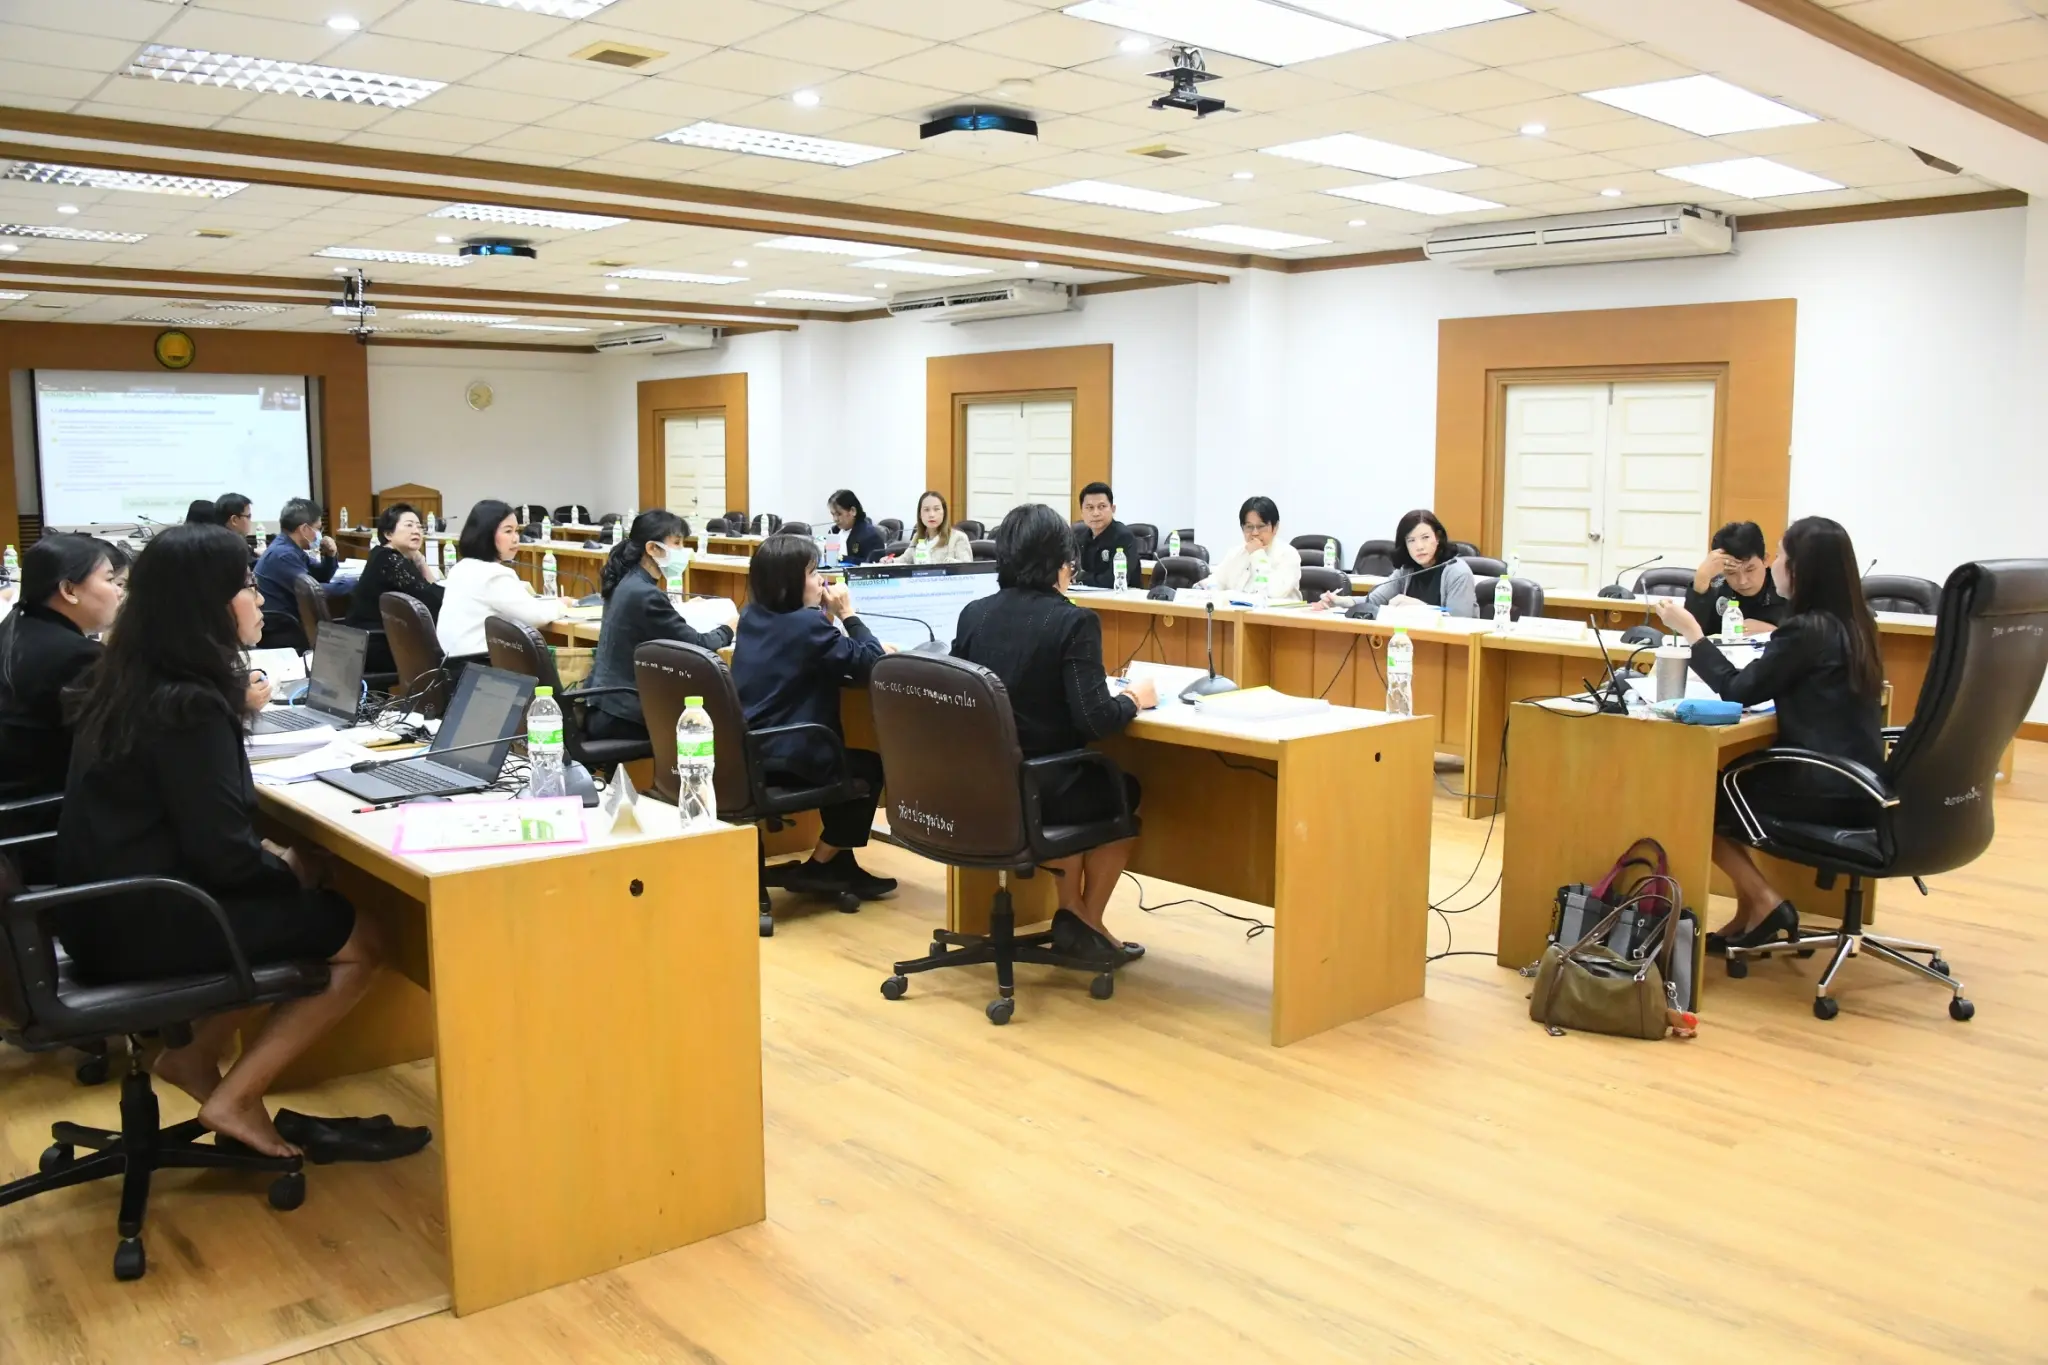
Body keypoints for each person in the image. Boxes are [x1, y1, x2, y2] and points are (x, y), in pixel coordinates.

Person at [55, 524, 387, 1158]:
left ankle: (193, 1057)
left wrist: (280, 862)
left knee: (298, 899)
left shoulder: (130, 677)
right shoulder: (189, 705)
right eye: (247, 587)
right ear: (206, 605)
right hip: (148, 918)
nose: (260, 600)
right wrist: (289, 868)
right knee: (359, 936)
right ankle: (234, 1096)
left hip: (102, 908)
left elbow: (200, 832)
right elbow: (224, 857)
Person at [1653, 516, 1884, 955]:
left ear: (1798, 570)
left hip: (1824, 785)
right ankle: (1749, 913)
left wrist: (1694, 635)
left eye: (1781, 555)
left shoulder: (1807, 630)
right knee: (1730, 781)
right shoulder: (1858, 622)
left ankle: (1765, 902)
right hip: (1862, 780)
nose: (1774, 562)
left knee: (1699, 796)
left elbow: (1738, 690)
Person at [953, 502, 1159, 962]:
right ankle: (1084, 917)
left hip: (978, 786)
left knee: (1078, 782)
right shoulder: (1073, 620)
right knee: (1118, 791)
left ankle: (1073, 915)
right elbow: (1094, 720)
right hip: (1042, 787)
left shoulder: (974, 614)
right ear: (1060, 562)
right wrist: (1133, 699)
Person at [732, 534, 895, 898]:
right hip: (791, 755)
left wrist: (828, 621)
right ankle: (821, 864)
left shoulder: (752, 616)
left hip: (752, 750)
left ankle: (839, 865)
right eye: (813, 573)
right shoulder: (806, 627)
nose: (822, 580)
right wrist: (848, 614)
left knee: (843, 755)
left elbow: (812, 648)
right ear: (788, 583)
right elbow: (872, 663)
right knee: (868, 766)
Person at [584, 509, 739, 743]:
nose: (683, 551)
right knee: (714, 725)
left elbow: (652, 619)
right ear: (652, 548)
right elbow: (698, 644)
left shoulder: (627, 581)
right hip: (623, 714)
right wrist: (729, 628)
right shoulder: (646, 594)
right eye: (677, 543)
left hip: (603, 705)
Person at [0, 535, 122, 802]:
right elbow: (111, 749)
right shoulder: (78, 655)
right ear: (69, 590)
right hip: (40, 806)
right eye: (110, 580)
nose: (119, 592)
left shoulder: (14, 627)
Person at [436, 499, 563, 662]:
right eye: (508, 531)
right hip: (480, 665)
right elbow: (536, 616)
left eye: (517, 531)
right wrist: (562, 605)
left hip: (450, 665)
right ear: (486, 534)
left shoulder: (460, 567)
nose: (516, 538)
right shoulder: (493, 575)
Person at [1324, 508, 1477, 619]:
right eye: (1411, 540)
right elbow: (1374, 601)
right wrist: (1341, 601)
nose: (1419, 546)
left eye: (1425, 538)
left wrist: (1422, 609)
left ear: (1437, 538)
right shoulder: (1407, 570)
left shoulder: (1457, 572)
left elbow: (1459, 619)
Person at [347, 503, 443, 674]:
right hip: (377, 647)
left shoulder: (382, 554)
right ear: (388, 534)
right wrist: (421, 562)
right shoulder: (392, 561)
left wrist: (418, 560)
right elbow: (435, 599)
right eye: (409, 525)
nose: (416, 531)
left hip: (364, 643)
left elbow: (427, 592)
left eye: (419, 526)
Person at [1682, 520, 1786, 635]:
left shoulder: (1788, 590)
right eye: (1731, 572)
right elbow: (1689, 634)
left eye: (1750, 570)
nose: (1742, 581)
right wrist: (1701, 579)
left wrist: (1775, 632)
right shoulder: (1716, 589)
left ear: (1765, 560)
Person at [1198, 496, 1302, 602]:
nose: (1255, 533)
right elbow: (1216, 581)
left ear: (1275, 527)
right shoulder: (1236, 553)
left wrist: (1257, 554)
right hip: (1238, 612)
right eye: (1249, 527)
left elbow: (1273, 593)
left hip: (1276, 612)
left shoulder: (1288, 555)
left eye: (1261, 526)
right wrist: (1203, 589)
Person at [253, 496, 338, 626]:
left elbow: (320, 576)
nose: (319, 534)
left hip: (289, 619)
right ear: (304, 529)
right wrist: (357, 584)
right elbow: (313, 591)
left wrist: (330, 556)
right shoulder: (284, 554)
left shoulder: (290, 547)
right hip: (282, 627)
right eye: (318, 528)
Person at [1071, 481, 1142, 589]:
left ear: (1113, 509)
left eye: (1102, 506)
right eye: (1090, 507)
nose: (1096, 513)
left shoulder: (1123, 537)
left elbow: (1114, 579)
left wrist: (1080, 578)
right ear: (1082, 512)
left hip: (1121, 596)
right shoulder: (1079, 536)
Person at [889, 489, 973, 564]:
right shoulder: (917, 537)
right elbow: (905, 560)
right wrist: (890, 561)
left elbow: (968, 568)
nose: (931, 515)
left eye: (936, 509)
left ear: (944, 512)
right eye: (926, 510)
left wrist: (954, 564)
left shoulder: (958, 538)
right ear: (920, 514)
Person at [826, 489, 886, 565]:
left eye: (839, 514)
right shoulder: (833, 532)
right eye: (833, 514)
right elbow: (829, 558)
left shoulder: (869, 535)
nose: (835, 519)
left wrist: (842, 558)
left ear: (853, 511)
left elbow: (872, 564)